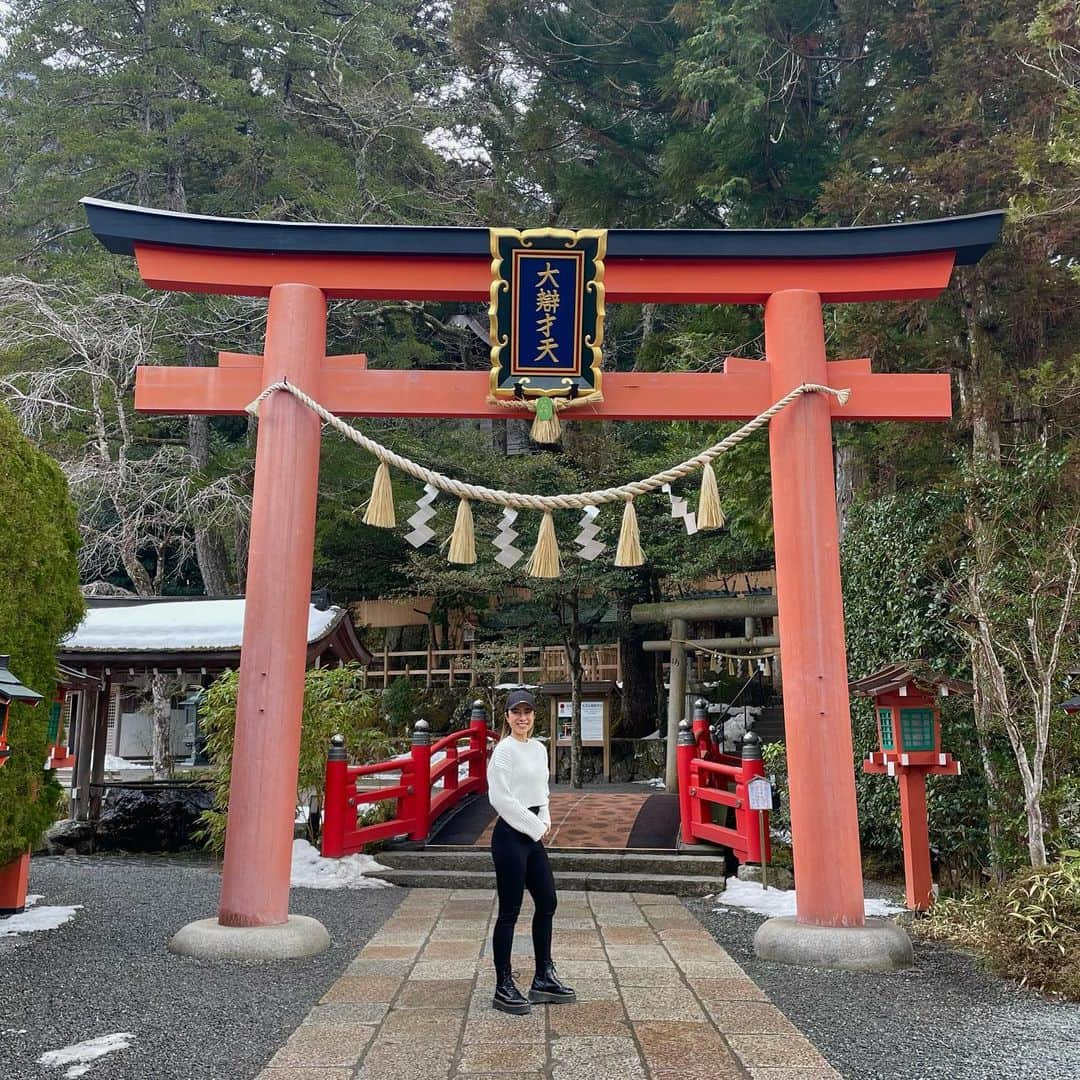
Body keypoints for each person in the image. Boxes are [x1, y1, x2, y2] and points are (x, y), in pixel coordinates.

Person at [486, 688, 576, 1015]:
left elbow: (543, 791)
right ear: (507, 717)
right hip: (511, 835)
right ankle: (503, 984)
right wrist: (534, 826)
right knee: (510, 911)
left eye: (527, 712)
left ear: (534, 716)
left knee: (548, 901)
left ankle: (543, 977)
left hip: (532, 832)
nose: (522, 718)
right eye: (515, 712)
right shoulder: (504, 752)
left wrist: (545, 818)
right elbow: (501, 799)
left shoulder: (539, 749)